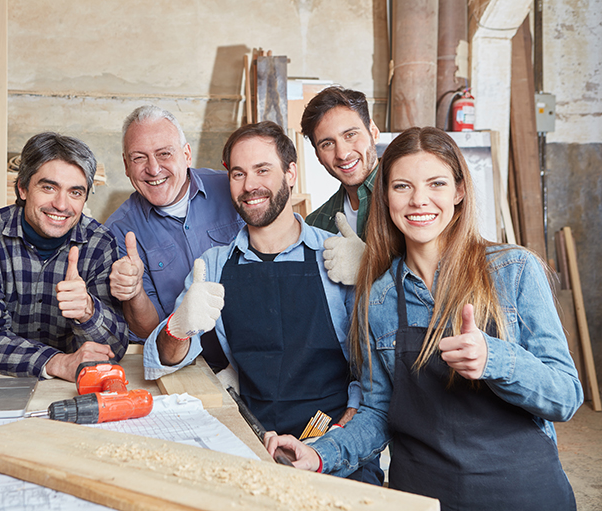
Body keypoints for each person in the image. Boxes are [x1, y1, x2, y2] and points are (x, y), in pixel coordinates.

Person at [267, 127, 583, 509]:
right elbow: (377, 411)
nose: (419, 200)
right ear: (385, 196)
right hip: (422, 495)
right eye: (402, 186)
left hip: (523, 493)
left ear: (459, 191)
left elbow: (565, 397)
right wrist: (320, 454)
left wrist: (494, 360)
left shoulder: (514, 271)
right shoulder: (378, 298)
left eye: (436, 183)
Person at [143, 121, 384, 486]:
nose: (250, 185)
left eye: (262, 170)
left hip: (337, 447)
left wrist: (374, 272)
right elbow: (161, 361)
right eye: (238, 173)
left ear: (290, 173)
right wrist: (178, 327)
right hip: (255, 446)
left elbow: (376, 374)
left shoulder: (335, 256)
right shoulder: (213, 266)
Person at [0, 132, 128, 382]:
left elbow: (114, 349)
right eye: (49, 187)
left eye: (75, 193)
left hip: (69, 384)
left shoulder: (100, 243)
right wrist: (58, 362)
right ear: (23, 188)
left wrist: (88, 312)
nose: (61, 204)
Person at [105, 105, 244, 367]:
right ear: (126, 165)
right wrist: (134, 293)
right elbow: (149, 332)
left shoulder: (232, 188)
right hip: (187, 367)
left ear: (186, 154)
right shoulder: (118, 232)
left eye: (164, 153)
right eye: (139, 158)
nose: (154, 169)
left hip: (259, 354)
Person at [302, 87, 380, 239]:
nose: (342, 154)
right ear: (318, 155)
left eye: (350, 135)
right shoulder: (315, 225)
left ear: (374, 132)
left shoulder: (405, 201)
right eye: (328, 144)